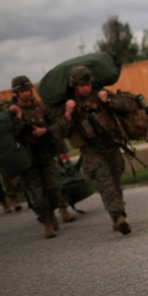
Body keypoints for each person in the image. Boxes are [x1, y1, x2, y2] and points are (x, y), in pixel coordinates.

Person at [52, 66, 132, 235]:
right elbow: (59, 132)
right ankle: (119, 217)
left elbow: (127, 105)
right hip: (91, 150)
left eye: (88, 84)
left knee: (116, 181)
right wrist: (68, 113)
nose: (86, 88)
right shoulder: (69, 105)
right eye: (82, 86)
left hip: (111, 144)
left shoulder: (101, 95)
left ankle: (117, 214)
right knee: (105, 182)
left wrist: (108, 101)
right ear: (74, 86)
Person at [7, 75, 65, 239]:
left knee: (54, 189)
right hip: (27, 160)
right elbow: (11, 134)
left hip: (45, 155)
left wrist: (44, 131)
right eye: (22, 91)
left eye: (27, 90)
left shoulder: (41, 107)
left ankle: (52, 212)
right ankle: (46, 222)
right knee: (37, 195)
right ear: (16, 93)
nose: (25, 93)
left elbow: (56, 125)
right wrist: (17, 117)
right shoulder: (11, 111)